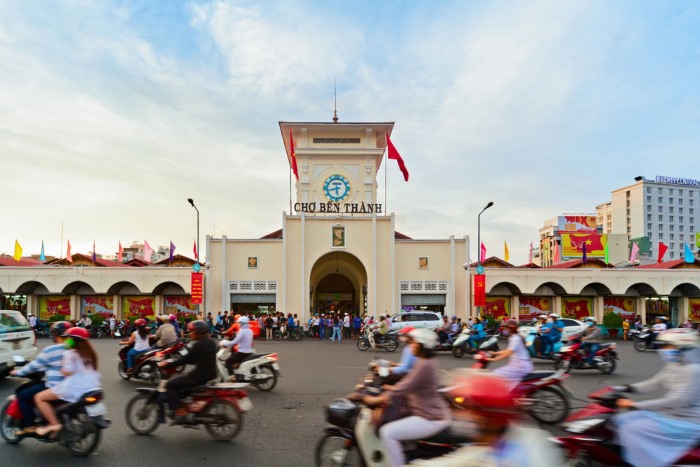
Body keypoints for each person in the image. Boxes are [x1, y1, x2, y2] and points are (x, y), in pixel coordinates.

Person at [411, 372, 563, 467]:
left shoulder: (511, 454)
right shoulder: (503, 441)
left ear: (488, 418)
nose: (462, 414)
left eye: (469, 409)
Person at [364, 328, 451, 467]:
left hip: (429, 417)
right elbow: (408, 381)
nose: (411, 346)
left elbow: (405, 386)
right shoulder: (426, 361)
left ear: (422, 345)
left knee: (387, 433)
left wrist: (378, 398)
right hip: (431, 411)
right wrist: (391, 389)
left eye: (414, 343)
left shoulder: (424, 365)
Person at [614, 329, 700, 467]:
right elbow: (654, 383)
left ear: (682, 346)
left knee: (632, 428)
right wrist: (625, 388)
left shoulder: (695, 371)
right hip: (671, 415)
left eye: (667, 346)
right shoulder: (674, 365)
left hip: (687, 421)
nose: (663, 349)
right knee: (620, 420)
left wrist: (634, 405)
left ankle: (641, 462)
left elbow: (676, 401)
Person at [33, 327, 102, 437]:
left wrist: (62, 368)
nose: (66, 340)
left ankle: (54, 424)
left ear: (72, 339)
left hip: (74, 388)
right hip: (94, 386)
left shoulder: (70, 353)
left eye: (68, 338)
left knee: (39, 397)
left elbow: (67, 372)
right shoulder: (91, 353)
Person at [10, 321, 73, 435]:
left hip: (56, 387)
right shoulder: (75, 348)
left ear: (55, 334)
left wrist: (18, 372)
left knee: (23, 395)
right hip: (74, 386)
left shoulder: (51, 350)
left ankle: (29, 425)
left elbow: (34, 366)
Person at [157, 320, 217, 422]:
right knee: (182, 380)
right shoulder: (211, 342)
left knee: (171, 384)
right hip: (210, 374)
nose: (190, 333)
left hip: (199, 376)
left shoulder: (199, 345)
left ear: (198, 332)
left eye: (192, 331)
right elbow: (197, 359)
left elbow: (186, 359)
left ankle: (180, 411)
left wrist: (168, 365)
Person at [486, 319, 533, 390]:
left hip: (520, 367)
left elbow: (507, 354)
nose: (504, 329)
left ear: (511, 329)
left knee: (495, 374)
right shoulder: (513, 337)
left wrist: (492, 359)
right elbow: (508, 351)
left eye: (506, 328)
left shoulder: (515, 339)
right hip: (517, 365)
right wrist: (495, 353)